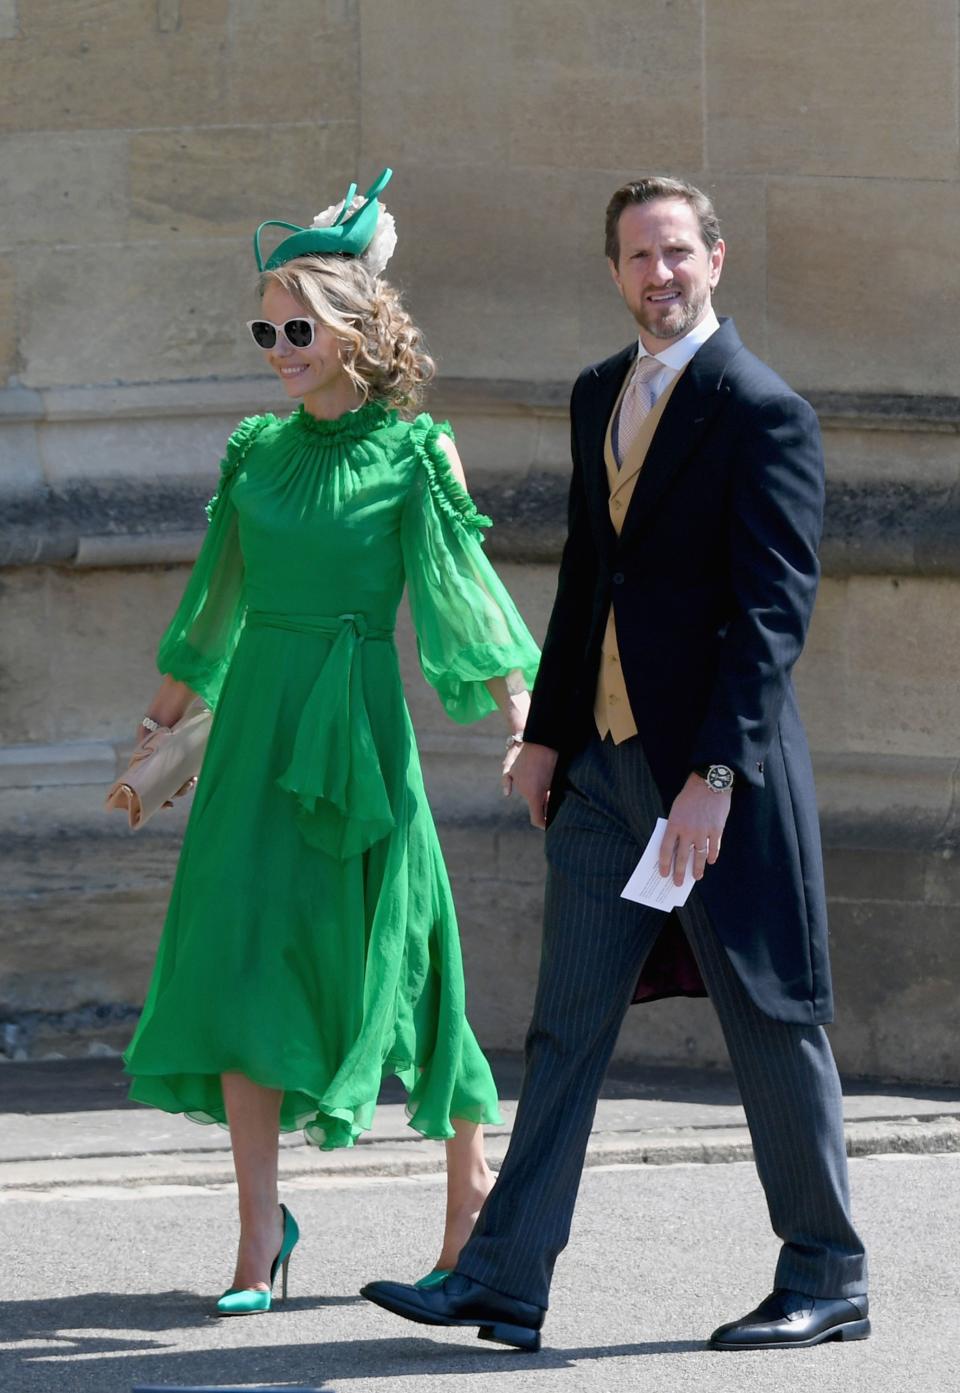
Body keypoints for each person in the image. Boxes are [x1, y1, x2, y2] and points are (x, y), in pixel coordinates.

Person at [360, 176, 869, 1352]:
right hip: (601, 773)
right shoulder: (600, 393)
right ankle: (503, 1278)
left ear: (717, 259)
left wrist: (717, 778)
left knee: (771, 1019)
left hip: (712, 784)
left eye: (679, 252)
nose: (661, 274)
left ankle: (829, 1273)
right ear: (613, 272)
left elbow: (771, 615)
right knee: (566, 1024)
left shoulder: (763, 410)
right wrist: (544, 738)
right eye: (639, 256)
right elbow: (591, 573)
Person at [121, 169, 539, 1315]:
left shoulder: (416, 453)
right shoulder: (253, 452)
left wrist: (522, 724)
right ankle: (260, 1230)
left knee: (410, 956)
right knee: (242, 957)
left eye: (297, 325)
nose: (278, 347)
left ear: (357, 324)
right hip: (256, 725)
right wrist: (156, 730)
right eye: (265, 327)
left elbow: (464, 596)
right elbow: (213, 603)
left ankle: (468, 1190)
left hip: (356, 725)